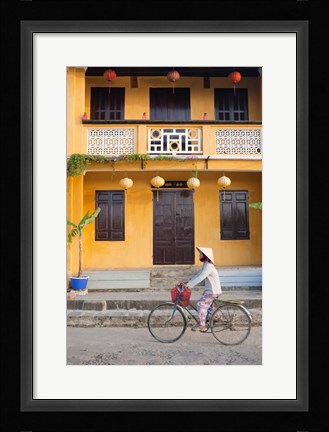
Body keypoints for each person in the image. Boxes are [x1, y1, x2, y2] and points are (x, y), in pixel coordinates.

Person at [184, 246, 221, 332]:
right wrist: (188, 282)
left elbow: (200, 277)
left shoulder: (208, 266)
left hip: (213, 291)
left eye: (200, 254)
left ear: (205, 255)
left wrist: (189, 285)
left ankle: (202, 325)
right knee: (208, 307)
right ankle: (216, 317)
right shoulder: (206, 265)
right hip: (211, 291)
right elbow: (198, 275)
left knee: (201, 304)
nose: (199, 255)